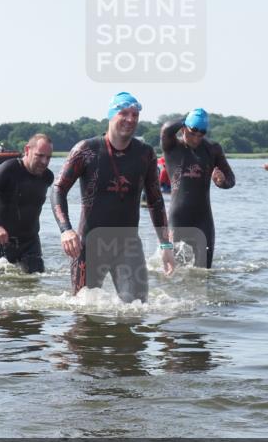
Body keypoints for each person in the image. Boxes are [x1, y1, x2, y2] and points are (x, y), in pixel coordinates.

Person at [52, 92, 174, 302]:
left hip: (128, 246)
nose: (130, 119)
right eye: (124, 113)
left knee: (137, 310)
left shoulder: (145, 153)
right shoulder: (86, 150)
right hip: (89, 246)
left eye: (135, 115)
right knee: (84, 318)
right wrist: (66, 230)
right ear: (110, 115)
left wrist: (165, 246)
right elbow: (57, 189)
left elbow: (155, 201)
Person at [160, 108, 236, 268]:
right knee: (173, 271)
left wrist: (221, 181)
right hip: (178, 218)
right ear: (183, 128)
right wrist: (187, 117)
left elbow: (231, 180)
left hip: (203, 219)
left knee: (206, 272)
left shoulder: (212, 149)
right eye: (192, 133)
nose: (196, 139)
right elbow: (166, 128)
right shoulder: (171, 146)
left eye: (200, 135)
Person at [0, 134, 55, 273]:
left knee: (35, 287)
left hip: (31, 243)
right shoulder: (9, 169)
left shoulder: (47, 177)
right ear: (27, 150)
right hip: (2, 242)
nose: (44, 161)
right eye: (40, 155)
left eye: (48, 157)